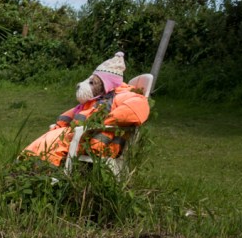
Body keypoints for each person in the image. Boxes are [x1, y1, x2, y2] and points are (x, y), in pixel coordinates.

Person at [22, 52, 152, 167]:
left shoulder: (123, 95)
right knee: (48, 139)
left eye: (93, 83)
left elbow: (136, 108)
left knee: (55, 145)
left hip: (96, 141)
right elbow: (73, 113)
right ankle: (25, 168)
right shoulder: (99, 99)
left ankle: (42, 174)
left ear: (107, 84)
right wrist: (59, 125)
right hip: (81, 134)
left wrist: (103, 122)